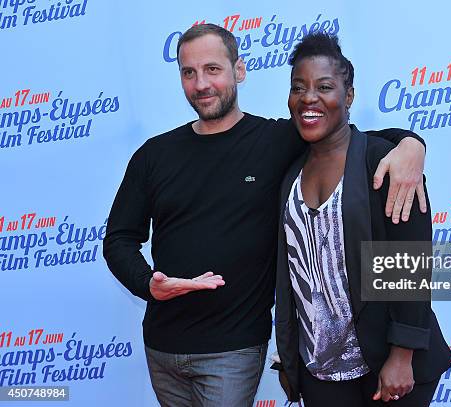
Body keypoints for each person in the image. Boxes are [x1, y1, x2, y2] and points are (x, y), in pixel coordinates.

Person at [103, 24, 428, 407]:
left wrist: (411, 144)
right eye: (189, 73)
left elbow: (347, 132)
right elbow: (119, 239)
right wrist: (148, 283)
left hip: (235, 350)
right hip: (165, 348)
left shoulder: (279, 141)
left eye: (212, 69)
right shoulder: (153, 155)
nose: (201, 83)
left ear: (238, 71)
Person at [274, 33, 451, 406]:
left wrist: (401, 354)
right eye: (298, 88)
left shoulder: (383, 163)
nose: (309, 97)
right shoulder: (289, 173)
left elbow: (408, 265)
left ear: (349, 95)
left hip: (385, 365)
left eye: (324, 86)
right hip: (321, 372)